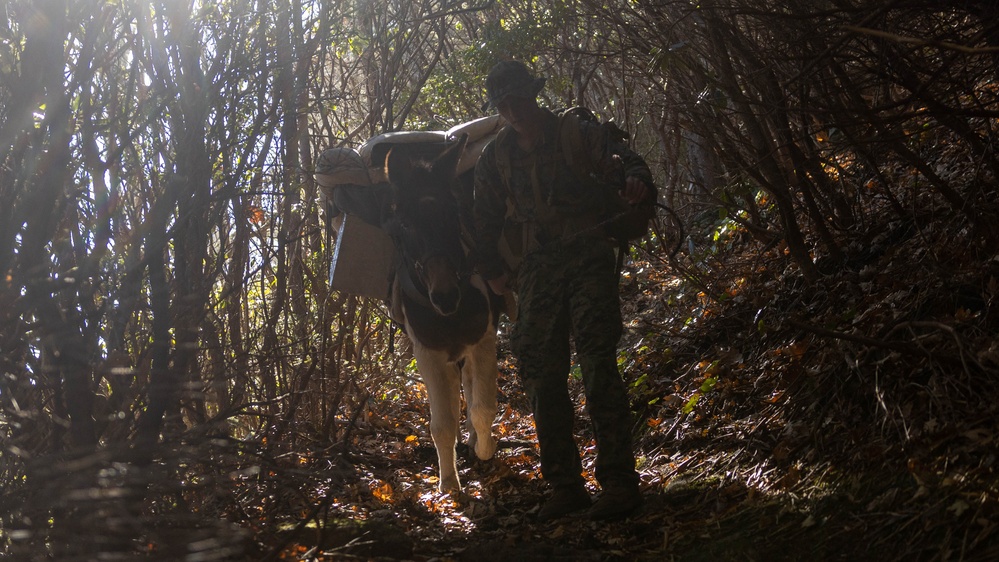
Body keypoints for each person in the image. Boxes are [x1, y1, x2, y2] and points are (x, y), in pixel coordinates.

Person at [473, 60, 654, 521]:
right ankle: (565, 484)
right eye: (503, 104)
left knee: (597, 361)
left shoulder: (576, 132)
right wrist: (492, 269)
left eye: (517, 99)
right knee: (538, 368)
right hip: (536, 266)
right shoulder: (497, 156)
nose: (511, 110)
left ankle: (618, 482)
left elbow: (628, 160)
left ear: (532, 94)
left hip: (587, 253)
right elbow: (482, 217)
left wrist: (636, 183)